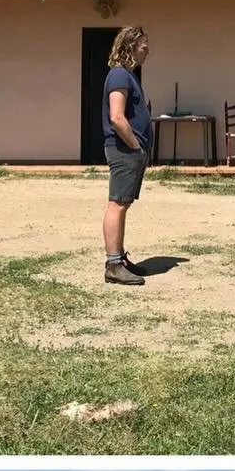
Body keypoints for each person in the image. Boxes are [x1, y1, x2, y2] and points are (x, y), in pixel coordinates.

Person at [101, 26, 152, 286]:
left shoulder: (128, 76)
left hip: (130, 151)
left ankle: (119, 258)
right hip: (124, 151)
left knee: (123, 204)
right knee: (117, 204)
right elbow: (117, 116)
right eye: (143, 46)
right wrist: (134, 146)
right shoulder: (120, 76)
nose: (147, 51)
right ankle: (113, 264)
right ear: (130, 47)